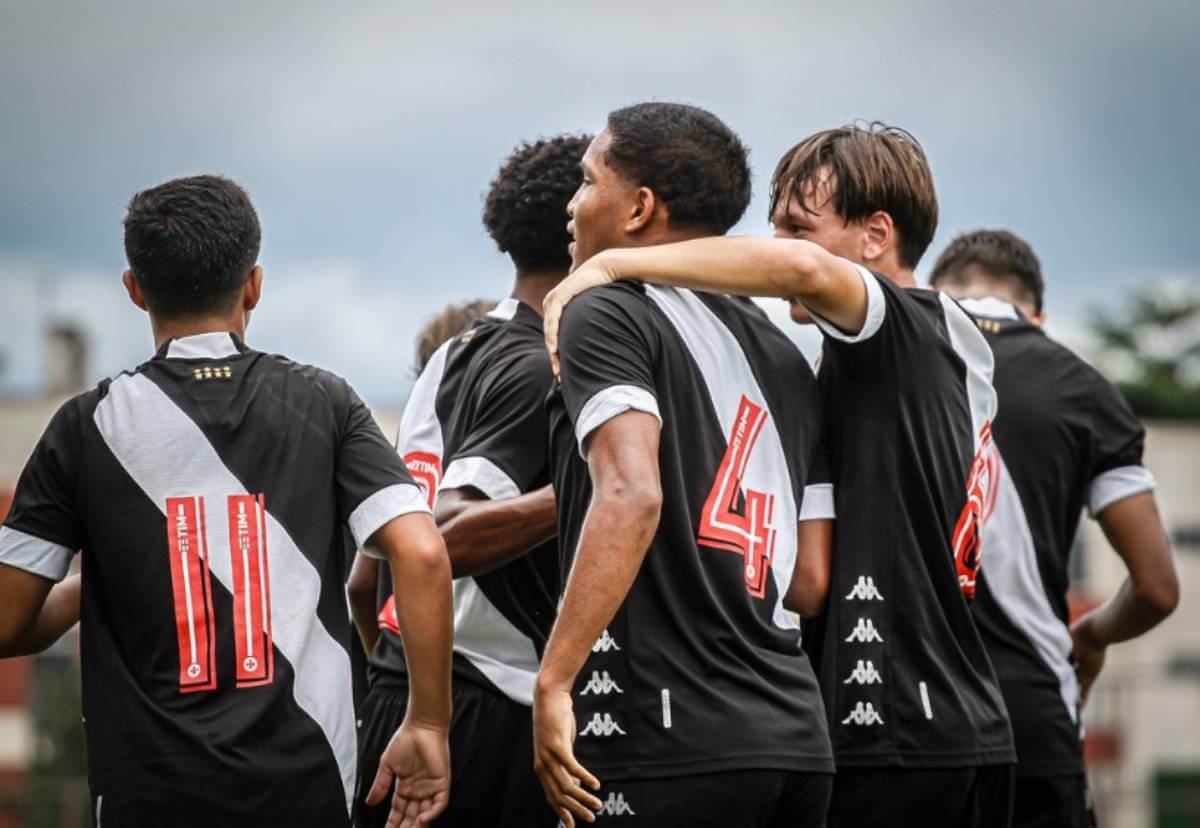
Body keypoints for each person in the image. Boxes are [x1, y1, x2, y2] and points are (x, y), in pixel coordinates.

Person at [543, 123, 1016, 827]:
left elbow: (804, 273)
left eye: (798, 226)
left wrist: (609, 268)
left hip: (894, 725)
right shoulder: (866, 359)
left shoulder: (905, 325)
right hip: (952, 714)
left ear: (876, 236)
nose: (774, 247)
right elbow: (810, 579)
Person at [0, 175, 453, 828]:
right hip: (311, 779)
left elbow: (10, 621)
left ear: (133, 288)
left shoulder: (84, 425)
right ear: (254, 285)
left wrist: (86, 584)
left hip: (149, 792)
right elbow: (422, 553)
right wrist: (429, 723)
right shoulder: (326, 403)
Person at [535, 102, 835, 828]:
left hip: (668, 735)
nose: (572, 206)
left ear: (639, 208)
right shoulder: (785, 355)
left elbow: (632, 496)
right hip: (797, 734)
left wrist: (554, 680)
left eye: (586, 181)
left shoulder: (604, 310)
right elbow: (808, 582)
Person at [351, 135, 590, 828]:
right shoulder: (532, 364)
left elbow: (364, 579)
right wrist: (594, 490)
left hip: (406, 686)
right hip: (483, 698)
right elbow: (446, 533)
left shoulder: (455, 351)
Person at [929, 229, 1179, 828]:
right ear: (1038, 315)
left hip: (901, 708)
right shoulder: (1083, 389)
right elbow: (1156, 589)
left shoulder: (888, 358)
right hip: (1030, 709)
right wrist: (1090, 637)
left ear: (936, 293)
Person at [348, 298, 496, 659]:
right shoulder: (480, 454)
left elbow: (361, 585)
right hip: (477, 663)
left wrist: (383, 666)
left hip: (398, 661)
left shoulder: (405, 455)